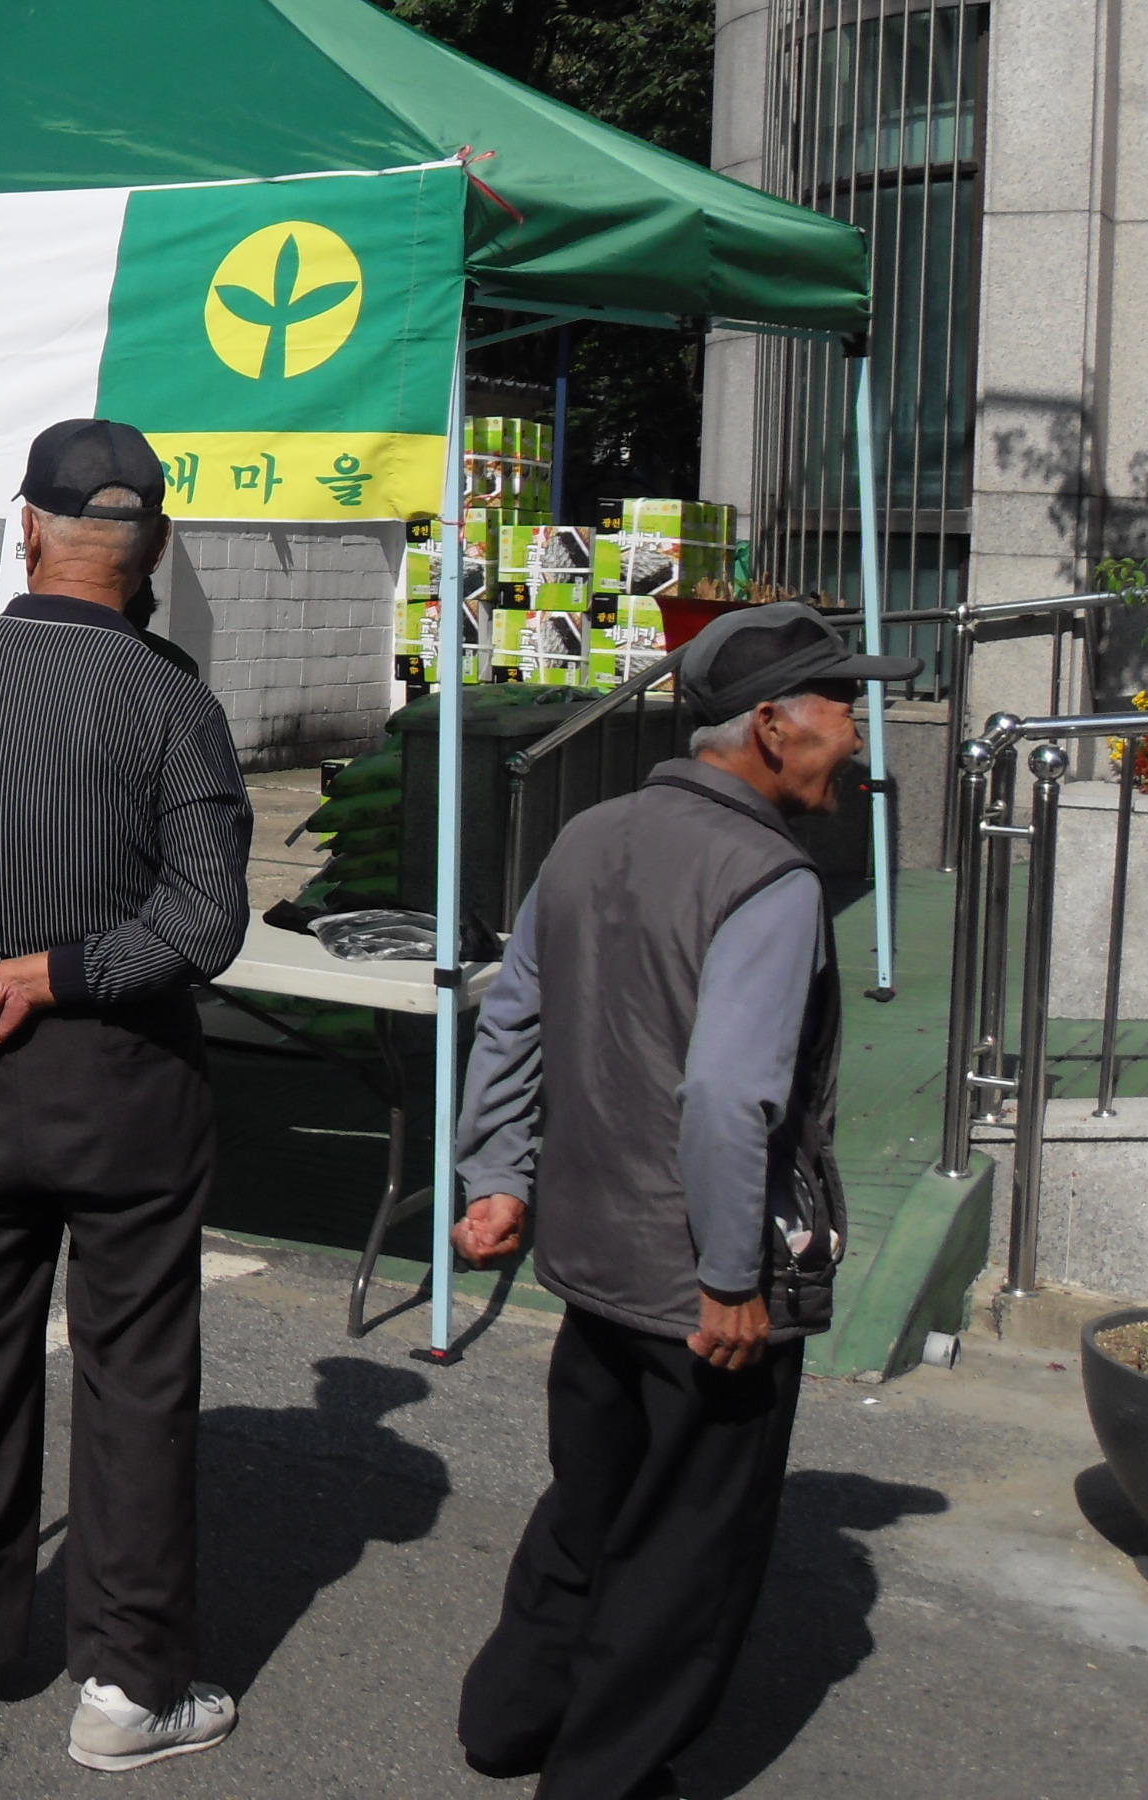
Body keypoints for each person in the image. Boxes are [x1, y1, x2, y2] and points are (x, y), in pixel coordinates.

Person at [447, 600, 909, 1799]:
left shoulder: (591, 833)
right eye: (842, 706)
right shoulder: (772, 878)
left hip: (592, 1253)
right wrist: (731, 1277)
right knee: (688, 1552)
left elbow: (514, 1018)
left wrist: (496, 1177)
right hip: (698, 1286)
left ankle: (511, 1715)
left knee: (593, 1495)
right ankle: (602, 1776)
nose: (857, 734)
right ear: (771, 726)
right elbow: (726, 1095)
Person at [0, 418, 254, 1772]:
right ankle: (127, 1686)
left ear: (25, 528)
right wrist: (59, 971)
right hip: (123, 1066)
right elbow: (205, 921)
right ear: (155, 548)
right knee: (133, 1372)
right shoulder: (174, 700)